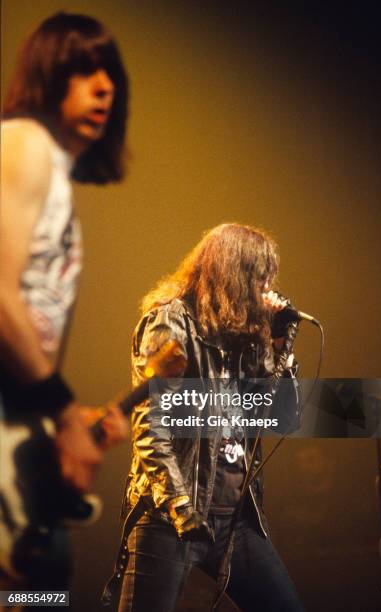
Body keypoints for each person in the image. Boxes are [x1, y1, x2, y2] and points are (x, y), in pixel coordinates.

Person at [0, 11, 129, 592]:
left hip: (18, 417)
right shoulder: (22, 143)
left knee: (40, 586)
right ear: (50, 75)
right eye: (85, 69)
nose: (105, 85)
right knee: (43, 582)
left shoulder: (51, 171)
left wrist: (70, 420)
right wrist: (66, 416)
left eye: (110, 74)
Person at [115, 224, 304, 611]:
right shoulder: (171, 322)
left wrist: (281, 347)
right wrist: (179, 506)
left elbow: (282, 419)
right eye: (260, 276)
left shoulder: (249, 336)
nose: (268, 287)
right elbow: (151, 425)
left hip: (234, 521)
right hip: (172, 516)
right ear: (233, 274)